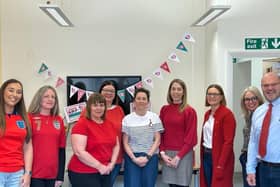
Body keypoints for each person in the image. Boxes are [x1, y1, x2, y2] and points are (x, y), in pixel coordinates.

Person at [68, 93, 120, 187]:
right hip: (84, 172)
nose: (98, 108)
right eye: (95, 105)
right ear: (89, 107)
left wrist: (112, 163)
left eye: (101, 105)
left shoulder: (110, 124)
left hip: (105, 171)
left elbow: (116, 145)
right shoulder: (82, 124)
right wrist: (99, 166)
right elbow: (79, 151)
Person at [159, 78, 197, 187]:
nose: (176, 92)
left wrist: (178, 156)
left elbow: (191, 137)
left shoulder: (189, 111)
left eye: (179, 89)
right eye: (173, 89)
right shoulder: (164, 109)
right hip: (167, 154)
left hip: (183, 155)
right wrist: (162, 153)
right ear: (169, 91)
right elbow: (160, 132)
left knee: (182, 185)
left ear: (183, 92)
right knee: (171, 185)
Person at [122, 88, 164, 187]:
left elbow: (157, 140)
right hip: (132, 158)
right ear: (134, 102)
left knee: (149, 184)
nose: (141, 101)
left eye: (144, 99)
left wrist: (148, 157)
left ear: (148, 102)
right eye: (138, 98)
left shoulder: (154, 117)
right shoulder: (127, 119)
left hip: (150, 157)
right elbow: (125, 142)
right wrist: (134, 158)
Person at [28, 85, 66, 187]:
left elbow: (61, 150)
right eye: (46, 96)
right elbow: (24, 147)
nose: (50, 99)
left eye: (53, 97)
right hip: (33, 175)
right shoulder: (29, 118)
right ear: (39, 98)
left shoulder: (59, 120)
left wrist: (60, 176)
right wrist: (26, 173)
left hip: (53, 176)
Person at [247, 72, 280, 187]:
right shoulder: (258, 112)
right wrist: (250, 169)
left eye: (274, 84)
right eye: (265, 85)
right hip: (263, 169)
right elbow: (253, 142)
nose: (269, 88)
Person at [199, 84, 236, 187]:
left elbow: (228, 142)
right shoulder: (207, 114)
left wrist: (221, 165)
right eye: (209, 94)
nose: (212, 96)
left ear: (221, 97)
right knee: (208, 183)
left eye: (215, 94)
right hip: (206, 155)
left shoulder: (227, 114)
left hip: (220, 158)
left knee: (220, 184)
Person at [0, 79, 33, 187]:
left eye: (19, 92)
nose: (15, 94)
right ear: (3, 92)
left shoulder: (24, 117)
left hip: (17, 173)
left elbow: (27, 147)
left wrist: (27, 173)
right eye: (11, 90)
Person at [98, 80, 125, 187]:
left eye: (112, 91)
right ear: (100, 92)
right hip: (96, 159)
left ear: (115, 94)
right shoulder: (91, 110)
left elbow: (123, 134)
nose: (109, 93)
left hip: (116, 159)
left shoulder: (119, 110)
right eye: (106, 90)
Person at [239, 86, 264, 187]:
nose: (250, 102)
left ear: (259, 99)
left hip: (257, 160)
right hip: (246, 157)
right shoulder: (249, 116)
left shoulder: (263, 115)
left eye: (254, 98)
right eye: (247, 99)